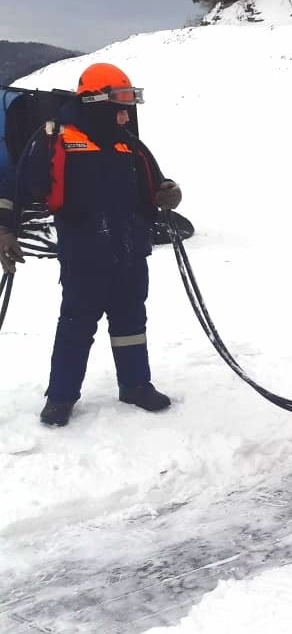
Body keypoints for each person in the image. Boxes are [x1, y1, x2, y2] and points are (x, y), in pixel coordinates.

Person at [2, 63, 182, 427]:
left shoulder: (129, 143)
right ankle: (61, 397)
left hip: (131, 250)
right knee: (77, 323)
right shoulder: (53, 138)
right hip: (84, 253)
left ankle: (135, 385)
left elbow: (157, 184)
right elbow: (14, 187)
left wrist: (169, 194)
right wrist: (6, 231)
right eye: (120, 100)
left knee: (131, 321)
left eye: (129, 101)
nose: (125, 109)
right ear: (95, 99)